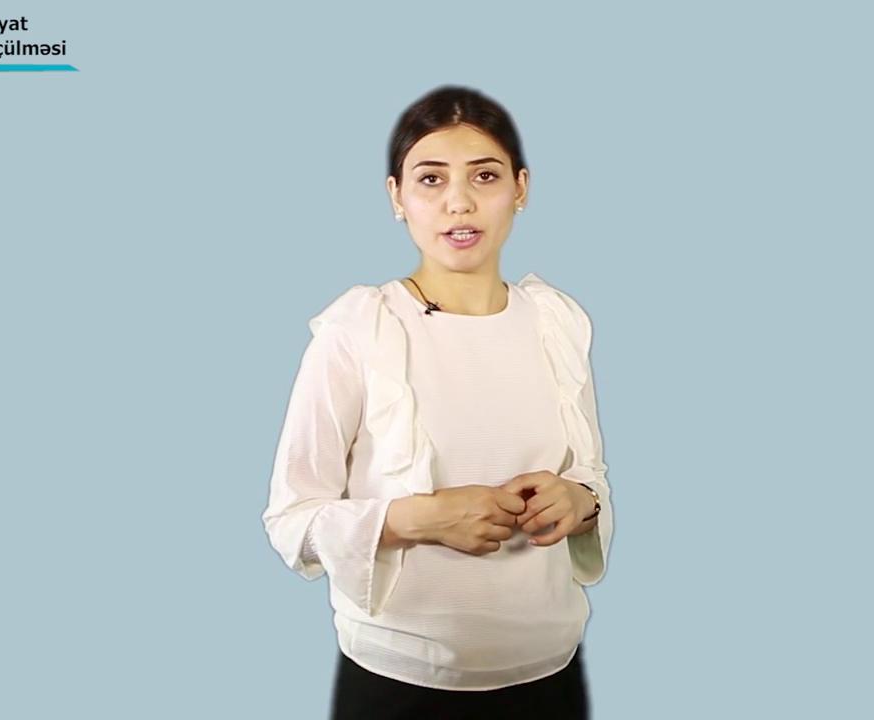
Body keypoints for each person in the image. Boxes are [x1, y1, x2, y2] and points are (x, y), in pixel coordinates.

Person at [261, 85, 614, 719]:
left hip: (549, 674)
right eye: (430, 179)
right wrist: (419, 519)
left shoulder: (557, 322)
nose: (459, 202)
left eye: (485, 175)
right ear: (396, 196)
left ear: (522, 188)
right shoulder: (359, 330)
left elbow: (590, 476)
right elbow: (292, 521)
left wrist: (580, 502)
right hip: (395, 683)